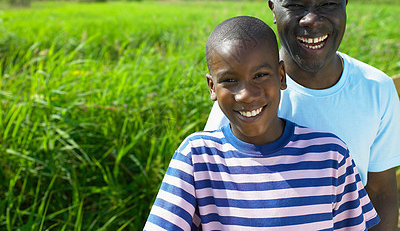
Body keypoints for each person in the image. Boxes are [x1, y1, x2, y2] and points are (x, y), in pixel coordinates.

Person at [204, 0, 400, 230]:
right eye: (295, 5)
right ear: (273, 9)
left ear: (345, 4)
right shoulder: (246, 98)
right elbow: (216, 193)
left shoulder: (376, 89)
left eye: (327, 4)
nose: (311, 19)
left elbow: (381, 193)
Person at [144, 16, 380, 230]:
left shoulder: (330, 155)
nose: (246, 94)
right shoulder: (197, 158)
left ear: (281, 76)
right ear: (212, 87)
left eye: (260, 76)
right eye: (229, 80)